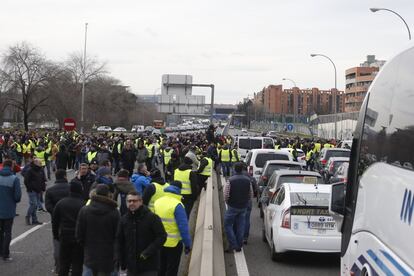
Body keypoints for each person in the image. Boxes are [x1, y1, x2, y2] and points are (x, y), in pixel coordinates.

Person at [117, 191, 167, 276]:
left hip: (149, 266)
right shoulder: (124, 220)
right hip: (131, 267)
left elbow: (162, 236)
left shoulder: (152, 218)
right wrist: (122, 262)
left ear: (141, 202)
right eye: (129, 201)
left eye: (134, 201)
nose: (131, 203)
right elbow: (120, 241)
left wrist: (147, 252)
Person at [76, 184, 120, 276]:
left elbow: (79, 234)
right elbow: (118, 235)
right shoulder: (114, 212)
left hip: (90, 253)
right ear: (108, 195)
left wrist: (85, 245)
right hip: (109, 255)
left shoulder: (84, 210)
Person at [154, 181, 192, 276]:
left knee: (161, 267)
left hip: (158, 242)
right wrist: (187, 244)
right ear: (179, 191)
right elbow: (183, 227)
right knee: (172, 269)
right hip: (173, 244)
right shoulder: (177, 205)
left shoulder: (157, 201)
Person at [52, 181, 85, 276]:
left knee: (64, 263)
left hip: (64, 236)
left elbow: (55, 221)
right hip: (78, 238)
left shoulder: (61, 203)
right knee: (77, 264)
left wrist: (56, 235)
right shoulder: (83, 204)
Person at [223, 162, 253, 253]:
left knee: (227, 225)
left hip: (232, 206)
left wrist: (228, 202)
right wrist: (246, 202)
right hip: (243, 206)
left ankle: (233, 244)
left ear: (235, 169)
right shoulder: (248, 180)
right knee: (241, 226)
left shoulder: (231, 180)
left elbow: (226, 194)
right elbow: (250, 194)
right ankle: (239, 245)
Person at [45, 169, 70, 273]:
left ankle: (59, 266)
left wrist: (56, 213)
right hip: (71, 219)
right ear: (65, 176)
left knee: (57, 243)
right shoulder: (71, 188)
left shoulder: (50, 190)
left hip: (57, 220)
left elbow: (48, 206)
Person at [0, 159, 21, 262]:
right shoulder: (14, 179)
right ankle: (5, 254)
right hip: (8, 209)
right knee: (7, 232)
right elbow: (17, 197)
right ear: (11, 167)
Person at [24, 158, 46, 225]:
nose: (41, 164)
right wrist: (30, 188)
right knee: (34, 204)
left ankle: (34, 220)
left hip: (38, 190)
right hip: (32, 190)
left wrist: (43, 188)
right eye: (40, 162)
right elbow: (26, 181)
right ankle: (28, 216)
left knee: (35, 206)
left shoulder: (41, 170)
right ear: (36, 163)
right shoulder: (30, 170)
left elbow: (43, 179)